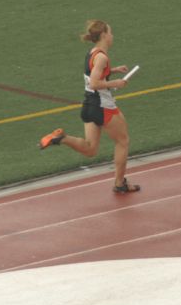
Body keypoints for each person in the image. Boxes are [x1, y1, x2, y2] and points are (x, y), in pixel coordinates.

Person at [39, 20, 140, 194]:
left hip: (89, 106)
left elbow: (91, 75)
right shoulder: (102, 57)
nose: (112, 36)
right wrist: (116, 82)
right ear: (103, 36)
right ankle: (119, 183)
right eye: (110, 33)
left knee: (90, 149)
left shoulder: (92, 53)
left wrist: (113, 70)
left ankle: (62, 138)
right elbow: (94, 83)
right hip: (103, 107)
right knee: (123, 142)